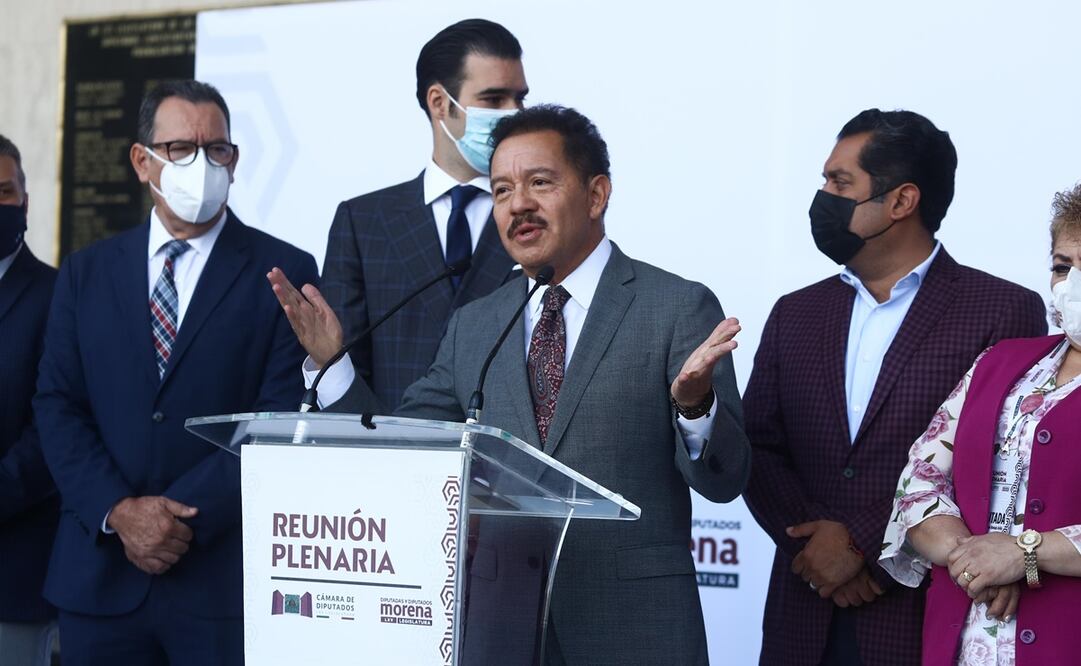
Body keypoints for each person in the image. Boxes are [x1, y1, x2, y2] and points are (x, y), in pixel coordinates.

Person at [269, 104, 750, 664]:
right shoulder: (477, 323)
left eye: (539, 183)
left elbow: (727, 480)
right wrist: (335, 366)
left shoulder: (674, 306)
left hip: (635, 629)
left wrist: (695, 408)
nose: (517, 204)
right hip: (501, 629)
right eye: (500, 190)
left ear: (597, 195)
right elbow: (402, 448)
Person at [742, 109, 1048, 665]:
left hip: (924, 612)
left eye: (840, 183)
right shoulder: (795, 313)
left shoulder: (1001, 310)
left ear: (901, 202)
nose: (823, 198)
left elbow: (1003, 466)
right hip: (803, 611)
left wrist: (865, 548)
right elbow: (758, 447)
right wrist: (815, 549)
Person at [34, 80, 318, 665]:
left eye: (217, 150)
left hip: (220, 583)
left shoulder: (284, 269)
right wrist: (120, 511)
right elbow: (57, 404)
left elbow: (278, 416)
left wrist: (177, 518)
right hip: (99, 579)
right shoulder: (86, 272)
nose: (204, 165)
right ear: (143, 161)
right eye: (182, 150)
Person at [880, 182, 1081, 665]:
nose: (1071, 283)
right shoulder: (1001, 361)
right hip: (964, 640)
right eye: (1062, 266)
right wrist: (972, 558)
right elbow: (919, 481)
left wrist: (1024, 552)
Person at [318, 18, 524, 410]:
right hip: (392, 455)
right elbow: (346, 367)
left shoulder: (537, 217)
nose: (514, 114)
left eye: (520, 99)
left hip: (504, 460)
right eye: (495, 100)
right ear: (440, 103)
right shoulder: (364, 223)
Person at [0, 134, 58, 666]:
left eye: (4, 192)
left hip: (12, 579)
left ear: (25, 200)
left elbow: (54, 425)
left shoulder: (59, 295)